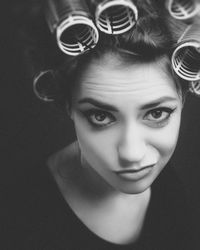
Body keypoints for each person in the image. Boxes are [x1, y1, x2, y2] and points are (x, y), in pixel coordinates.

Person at [9, 0, 198, 249]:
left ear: (182, 100)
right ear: (68, 106)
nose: (132, 154)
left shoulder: (175, 191)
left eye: (157, 113)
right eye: (101, 116)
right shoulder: (18, 219)